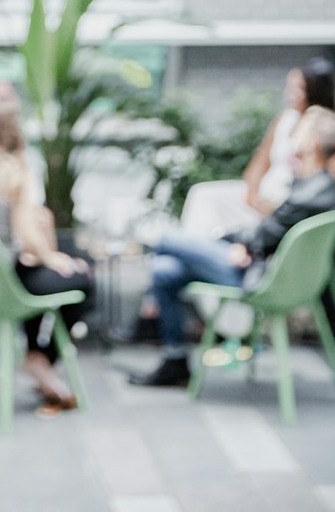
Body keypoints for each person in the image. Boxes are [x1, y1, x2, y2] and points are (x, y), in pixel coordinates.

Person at [129, 104, 335, 387]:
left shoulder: (310, 193)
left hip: (261, 276)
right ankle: (175, 359)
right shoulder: (316, 187)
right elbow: (268, 231)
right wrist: (239, 242)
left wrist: (239, 243)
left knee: (164, 240)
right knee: (165, 270)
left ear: (312, 143)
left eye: (299, 131)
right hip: (265, 267)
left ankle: (160, 331)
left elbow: (265, 233)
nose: (291, 137)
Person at [0, 84, 93, 409]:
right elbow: (29, 237)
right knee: (80, 279)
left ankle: (37, 360)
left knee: (35, 272)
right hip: (4, 285)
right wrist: (54, 257)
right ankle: (41, 358)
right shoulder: (13, 171)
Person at [181, 58, 335, 239]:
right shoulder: (285, 119)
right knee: (204, 195)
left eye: (299, 88)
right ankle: (193, 249)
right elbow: (261, 159)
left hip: (289, 202)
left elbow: (319, 186)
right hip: (263, 194)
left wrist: (281, 206)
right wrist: (252, 193)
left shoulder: (324, 126)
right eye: (290, 87)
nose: (291, 94)